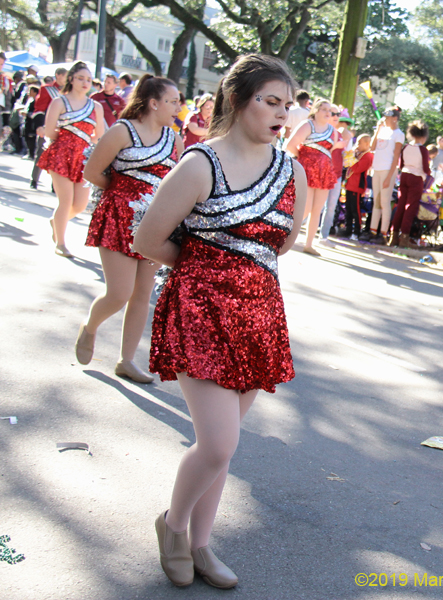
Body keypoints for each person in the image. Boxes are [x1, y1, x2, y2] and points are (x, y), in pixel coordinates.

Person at [132, 54, 307, 589]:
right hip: (200, 312)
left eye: (288, 104)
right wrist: (205, 271)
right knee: (219, 444)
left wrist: (240, 274)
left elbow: (287, 242)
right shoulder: (198, 164)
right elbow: (146, 240)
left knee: (223, 443)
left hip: (258, 315)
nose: (282, 114)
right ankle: (174, 526)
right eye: (269, 101)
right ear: (237, 100)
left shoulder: (293, 170)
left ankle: (203, 547)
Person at [79, 75, 184, 383]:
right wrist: (122, 193)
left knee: (141, 295)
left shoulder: (174, 141)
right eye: (173, 100)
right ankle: (90, 328)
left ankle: (126, 360)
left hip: (154, 223)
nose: (179, 106)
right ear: (154, 103)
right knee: (119, 292)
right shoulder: (121, 131)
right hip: (117, 218)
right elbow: (92, 172)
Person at [38, 62, 106, 257]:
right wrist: (69, 140)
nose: (85, 83)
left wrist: (83, 143)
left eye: (88, 79)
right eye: (80, 78)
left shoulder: (96, 106)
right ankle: (61, 242)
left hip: (83, 157)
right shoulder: (59, 102)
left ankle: (56, 221)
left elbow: (98, 134)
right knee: (66, 201)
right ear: (71, 79)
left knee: (80, 205)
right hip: (60, 154)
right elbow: (50, 131)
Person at [284, 98, 339, 255]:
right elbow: (290, 144)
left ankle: (309, 244)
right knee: (305, 207)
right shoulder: (307, 125)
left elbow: (331, 151)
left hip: (324, 173)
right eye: (324, 109)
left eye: (330, 110)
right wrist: (305, 158)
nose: (328, 113)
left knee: (317, 209)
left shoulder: (333, 131)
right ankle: (285, 236)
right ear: (315, 110)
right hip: (307, 170)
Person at [364, 106, 404, 243]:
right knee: (377, 201)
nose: (385, 120)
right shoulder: (383, 131)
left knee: (385, 202)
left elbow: (396, 156)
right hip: (377, 169)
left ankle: (383, 233)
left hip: (388, 170)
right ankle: (373, 230)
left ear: (395, 118)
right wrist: (378, 130)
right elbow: (372, 148)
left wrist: (390, 176)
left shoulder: (399, 134)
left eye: (388, 118)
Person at [390, 120, 430, 248]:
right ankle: (405, 237)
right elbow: (426, 168)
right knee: (410, 208)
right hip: (416, 178)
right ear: (424, 136)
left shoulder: (406, 147)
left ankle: (393, 236)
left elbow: (401, 164)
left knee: (400, 206)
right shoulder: (423, 150)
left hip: (404, 176)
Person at [30, 67, 67, 189]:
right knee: (41, 154)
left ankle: (54, 185)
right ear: (58, 75)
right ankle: (34, 180)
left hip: (62, 129)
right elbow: (39, 110)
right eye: (65, 76)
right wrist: (40, 126)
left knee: (59, 158)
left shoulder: (68, 93)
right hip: (47, 126)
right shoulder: (47, 90)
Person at [319, 107, 349, 243]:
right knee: (316, 205)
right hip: (323, 173)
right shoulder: (322, 132)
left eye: (339, 114)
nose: (337, 116)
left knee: (331, 206)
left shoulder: (341, 134)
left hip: (336, 174)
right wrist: (335, 146)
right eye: (334, 114)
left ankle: (323, 236)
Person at [343, 134, 372, 240]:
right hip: (350, 185)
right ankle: (348, 230)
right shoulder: (358, 154)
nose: (357, 145)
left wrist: (351, 160)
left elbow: (358, 168)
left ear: (367, 144)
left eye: (360, 143)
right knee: (348, 209)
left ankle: (357, 232)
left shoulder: (368, 156)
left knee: (356, 210)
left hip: (357, 186)